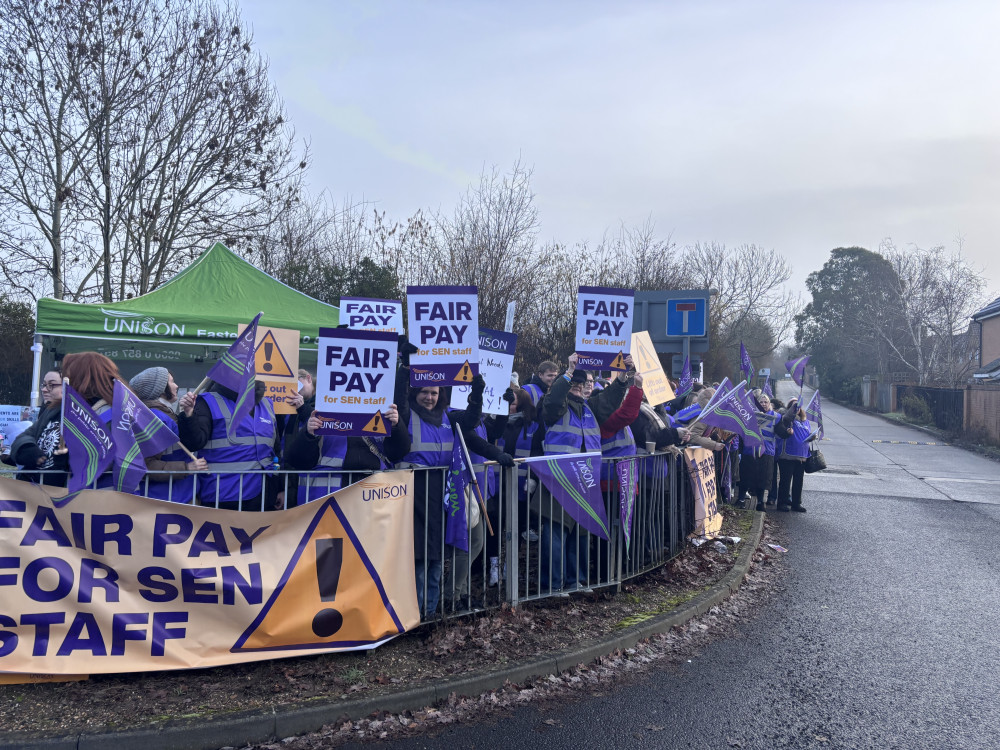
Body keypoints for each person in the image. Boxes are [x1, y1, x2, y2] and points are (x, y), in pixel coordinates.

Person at [535, 354, 628, 593]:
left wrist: (623, 377)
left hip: (585, 482)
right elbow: (555, 398)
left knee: (581, 533)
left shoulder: (590, 408)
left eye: (584, 382)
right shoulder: (554, 405)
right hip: (559, 479)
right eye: (575, 382)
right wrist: (569, 372)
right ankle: (552, 585)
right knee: (556, 533)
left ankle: (576, 580)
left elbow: (610, 400)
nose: (580, 385)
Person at [397, 372, 484, 618]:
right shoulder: (406, 414)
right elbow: (399, 400)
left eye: (434, 393)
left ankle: (431, 611)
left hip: (441, 491)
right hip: (414, 489)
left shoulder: (449, 417)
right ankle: (416, 610)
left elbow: (471, 419)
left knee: (435, 554)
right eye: (424, 392)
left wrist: (476, 393)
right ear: (415, 393)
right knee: (419, 554)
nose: (429, 397)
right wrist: (404, 369)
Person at [178, 379, 280, 512]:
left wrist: (281, 488)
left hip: (264, 494)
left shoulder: (267, 404)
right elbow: (194, 442)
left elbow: (275, 450)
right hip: (224, 495)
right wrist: (188, 415)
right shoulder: (207, 401)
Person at [284, 404, 410, 504]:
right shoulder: (319, 416)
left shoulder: (382, 413)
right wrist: (308, 434)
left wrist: (396, 426)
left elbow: (398, 452)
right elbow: (297, 459)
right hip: (329, 500)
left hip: (372, 498)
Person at [129, 367, 207, 503]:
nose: (176, 386)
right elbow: (146, 464)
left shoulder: (160, 414)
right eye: (171, 382)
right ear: (160, 389)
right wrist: (186, 468)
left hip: (174, 496)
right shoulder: (155, 418)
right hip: (169, 500)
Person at [11, 371, 67, 487]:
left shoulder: (75, 413)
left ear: (67, 386)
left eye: (52, 385)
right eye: (44, 384)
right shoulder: (47, 410)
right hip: (34, 490)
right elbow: (24, 437)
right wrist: (26, 448)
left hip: (60, 493)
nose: (44, 389)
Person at [738, 390, 779, 512]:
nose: (763, 404)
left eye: (766, 402)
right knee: (745, 478)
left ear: (769, 403)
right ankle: (740, 500)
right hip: (749, 451)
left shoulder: (775, 417)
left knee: (763, 480)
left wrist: (787, 429)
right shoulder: (749, 416)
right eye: (761, 401)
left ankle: (761, 503)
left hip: (766, 453)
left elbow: (781, 431)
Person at [774, 398, 812, 512]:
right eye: (794, 405)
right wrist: (794, 408)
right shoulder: (785, 417)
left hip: (801, 456)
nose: (797, 408)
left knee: (798, 481)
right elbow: (786, 417)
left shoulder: (804, 421)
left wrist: (812, 437)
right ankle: (782, 503)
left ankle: (796, 503)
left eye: (798, 406)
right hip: (787, 455)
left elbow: (807, 434)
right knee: (785, 480)